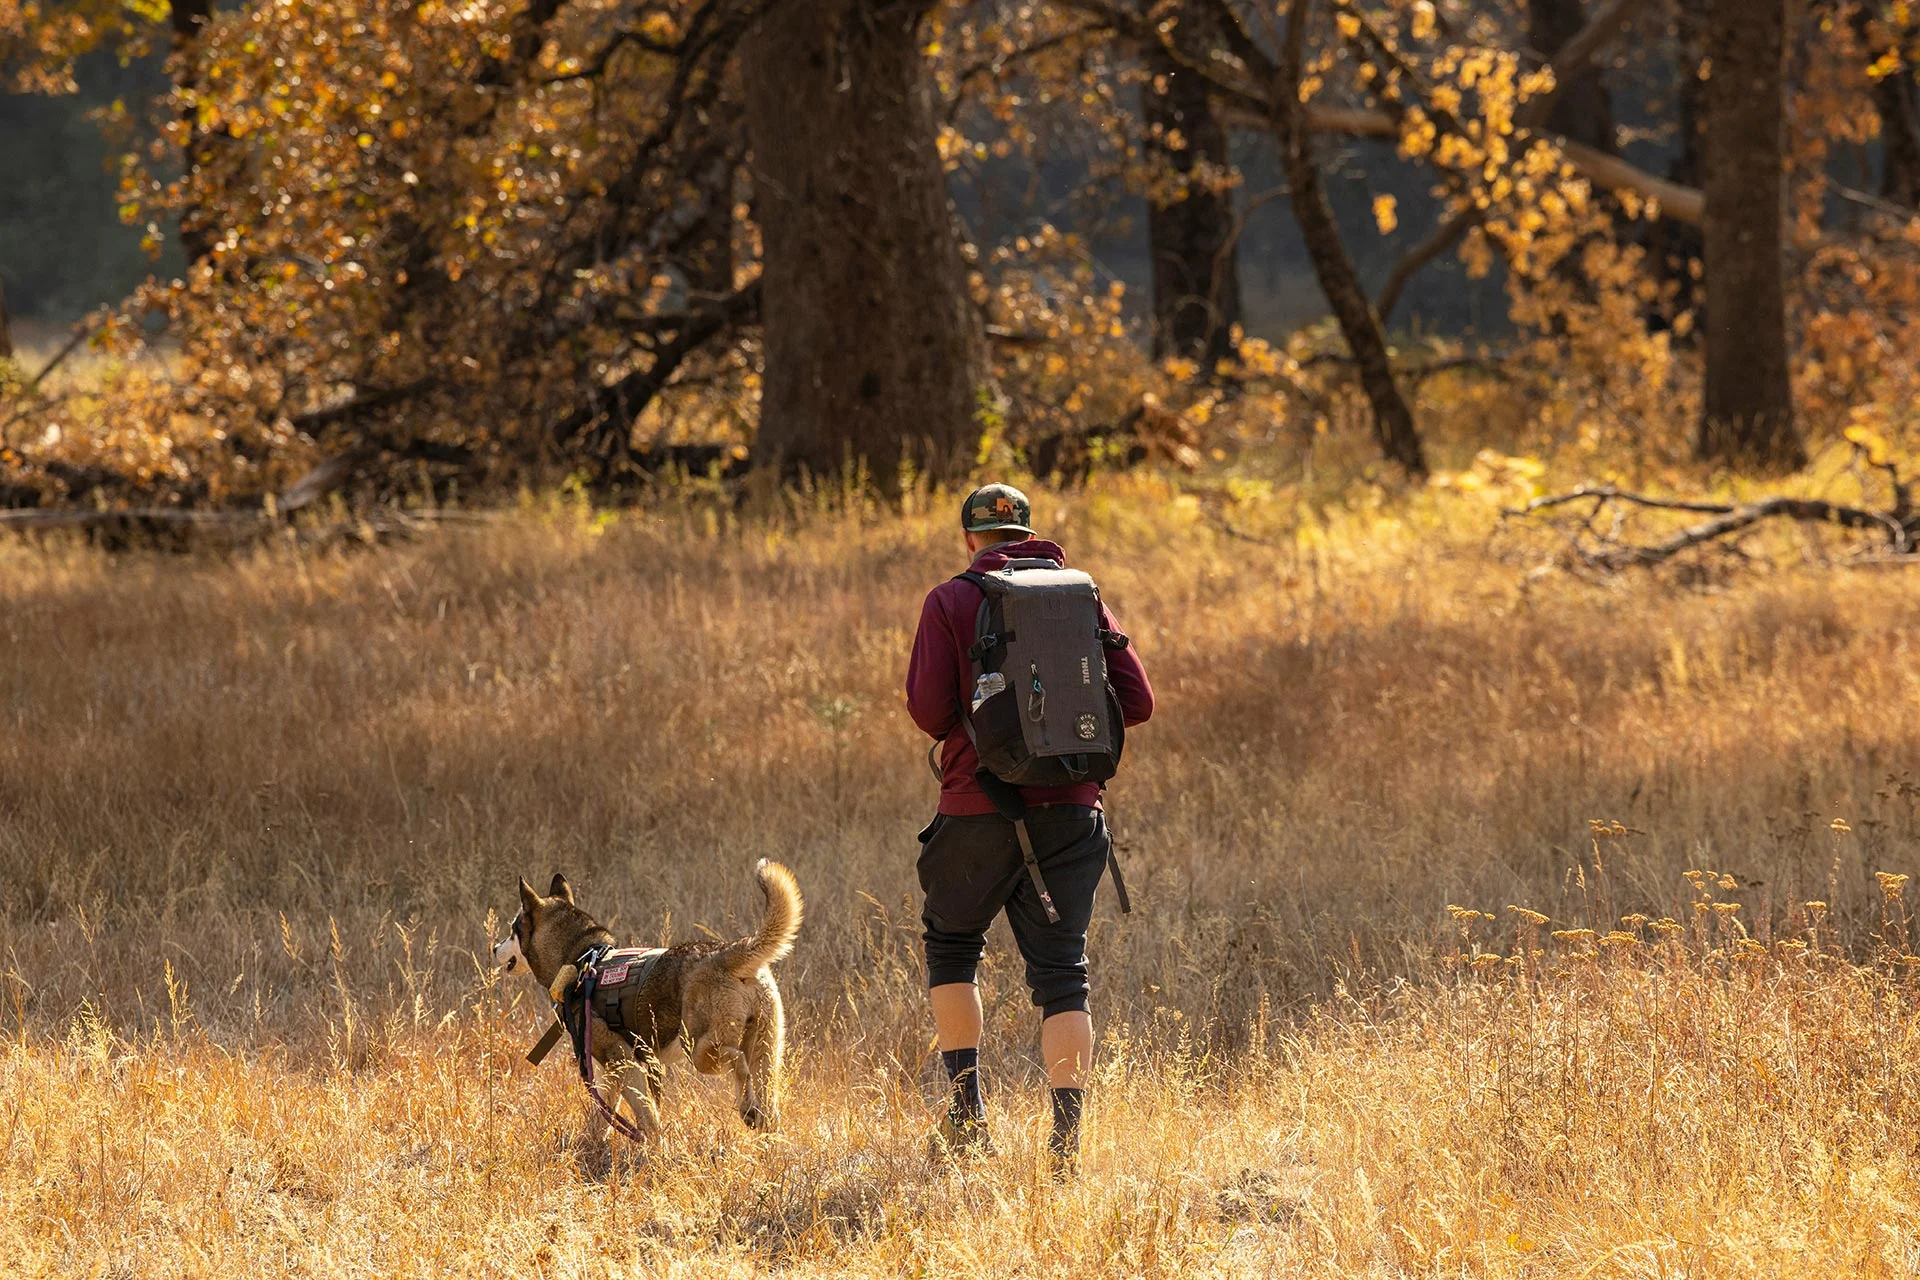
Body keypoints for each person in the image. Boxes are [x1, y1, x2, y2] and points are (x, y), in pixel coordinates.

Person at [904, 482, 1154, 1174]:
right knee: (1063, 976)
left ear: (970, 538)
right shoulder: (1081, 595)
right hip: (1072, 810)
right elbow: (1137, 701)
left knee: (952, 946)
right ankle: (1065, 1148)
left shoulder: (950, 600)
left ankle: (967, 1118)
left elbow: (928, 711)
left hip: (975, 807)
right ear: (1030, 533)